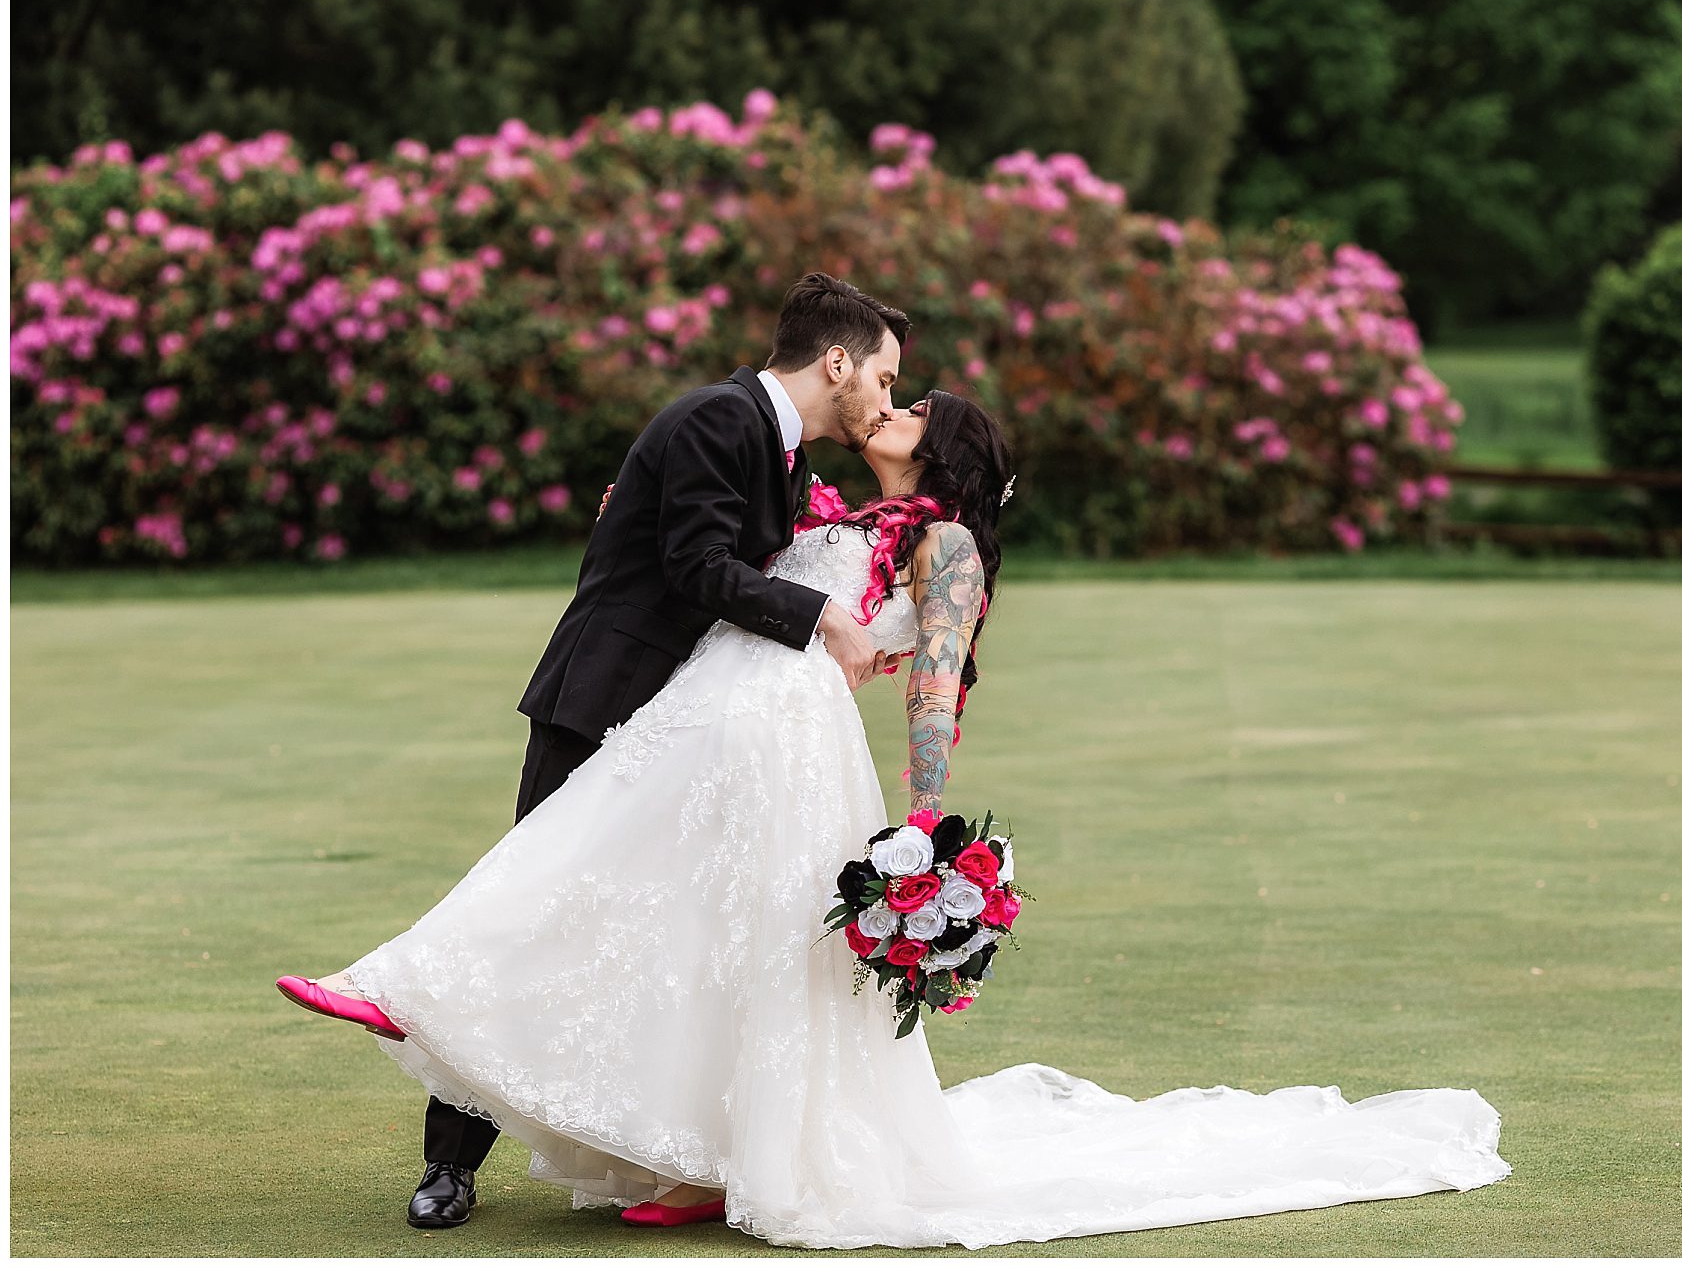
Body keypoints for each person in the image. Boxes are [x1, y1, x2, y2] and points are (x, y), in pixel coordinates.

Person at [279, 388, 1511, 1250]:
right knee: (657, 907)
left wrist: (925, 831)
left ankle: (661, 1136)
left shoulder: (947, 542)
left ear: (946, 449)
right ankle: (539, 1075)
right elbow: (720, 555)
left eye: (914, 408)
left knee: (705, 917)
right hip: (707, 717)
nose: (889, 407)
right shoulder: (817, 500)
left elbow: (934, 676)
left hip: (785, 743)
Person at [278, 271, 907, 1229]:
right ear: (836, 362)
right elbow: (695, 566)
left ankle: (653, 1147)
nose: (887, 399)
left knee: (626, 937)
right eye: (884, 377)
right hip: (601, 700)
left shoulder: (777, 451)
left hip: (680, 731)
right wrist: (821, 614)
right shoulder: (719, 418)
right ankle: (447, 1153)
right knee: (528, 903)